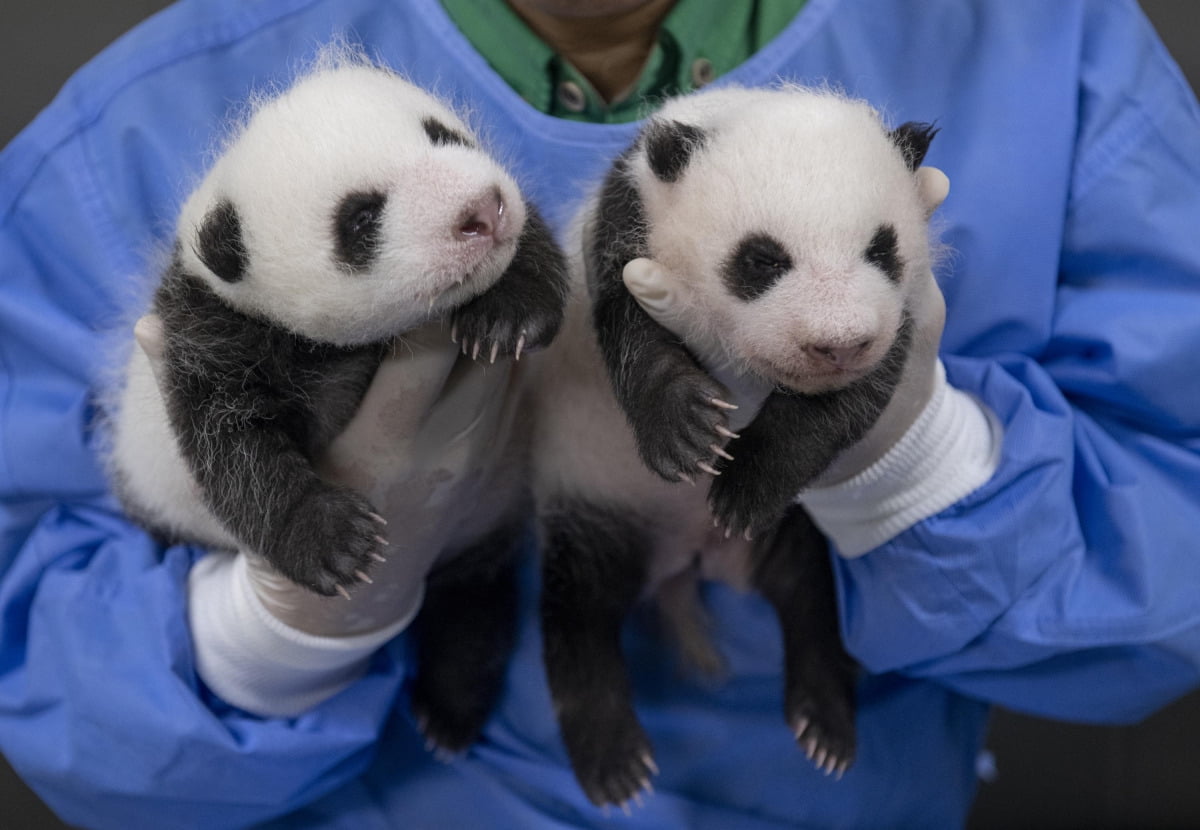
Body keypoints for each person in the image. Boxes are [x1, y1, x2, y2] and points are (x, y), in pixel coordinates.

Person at [1, 0, 1198, 827]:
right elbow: (41, 655)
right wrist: (280, 624)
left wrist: (914, 461)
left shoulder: (1048, 47)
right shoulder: (148, 126)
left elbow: (1170, 569)